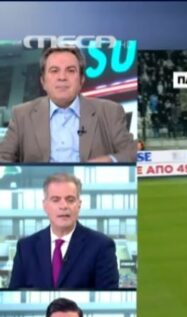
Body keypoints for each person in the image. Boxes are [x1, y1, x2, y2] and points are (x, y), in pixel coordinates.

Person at [0, 47, 136, 163]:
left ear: (81, 80)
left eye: (70, 70)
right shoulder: (22, 115)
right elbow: (3, 157)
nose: (62, 77)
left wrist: (110, 160)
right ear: (43, 81)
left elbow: (131, 152)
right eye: (54, 71)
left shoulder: (109, 111)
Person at [8, 173, 119, 289]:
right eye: (55, 200)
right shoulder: (25, 247)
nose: (63, 206)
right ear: (45, 205)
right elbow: (15, 292)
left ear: (79, 205)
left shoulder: (101, 246)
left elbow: (108, 291)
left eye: (70, 200)